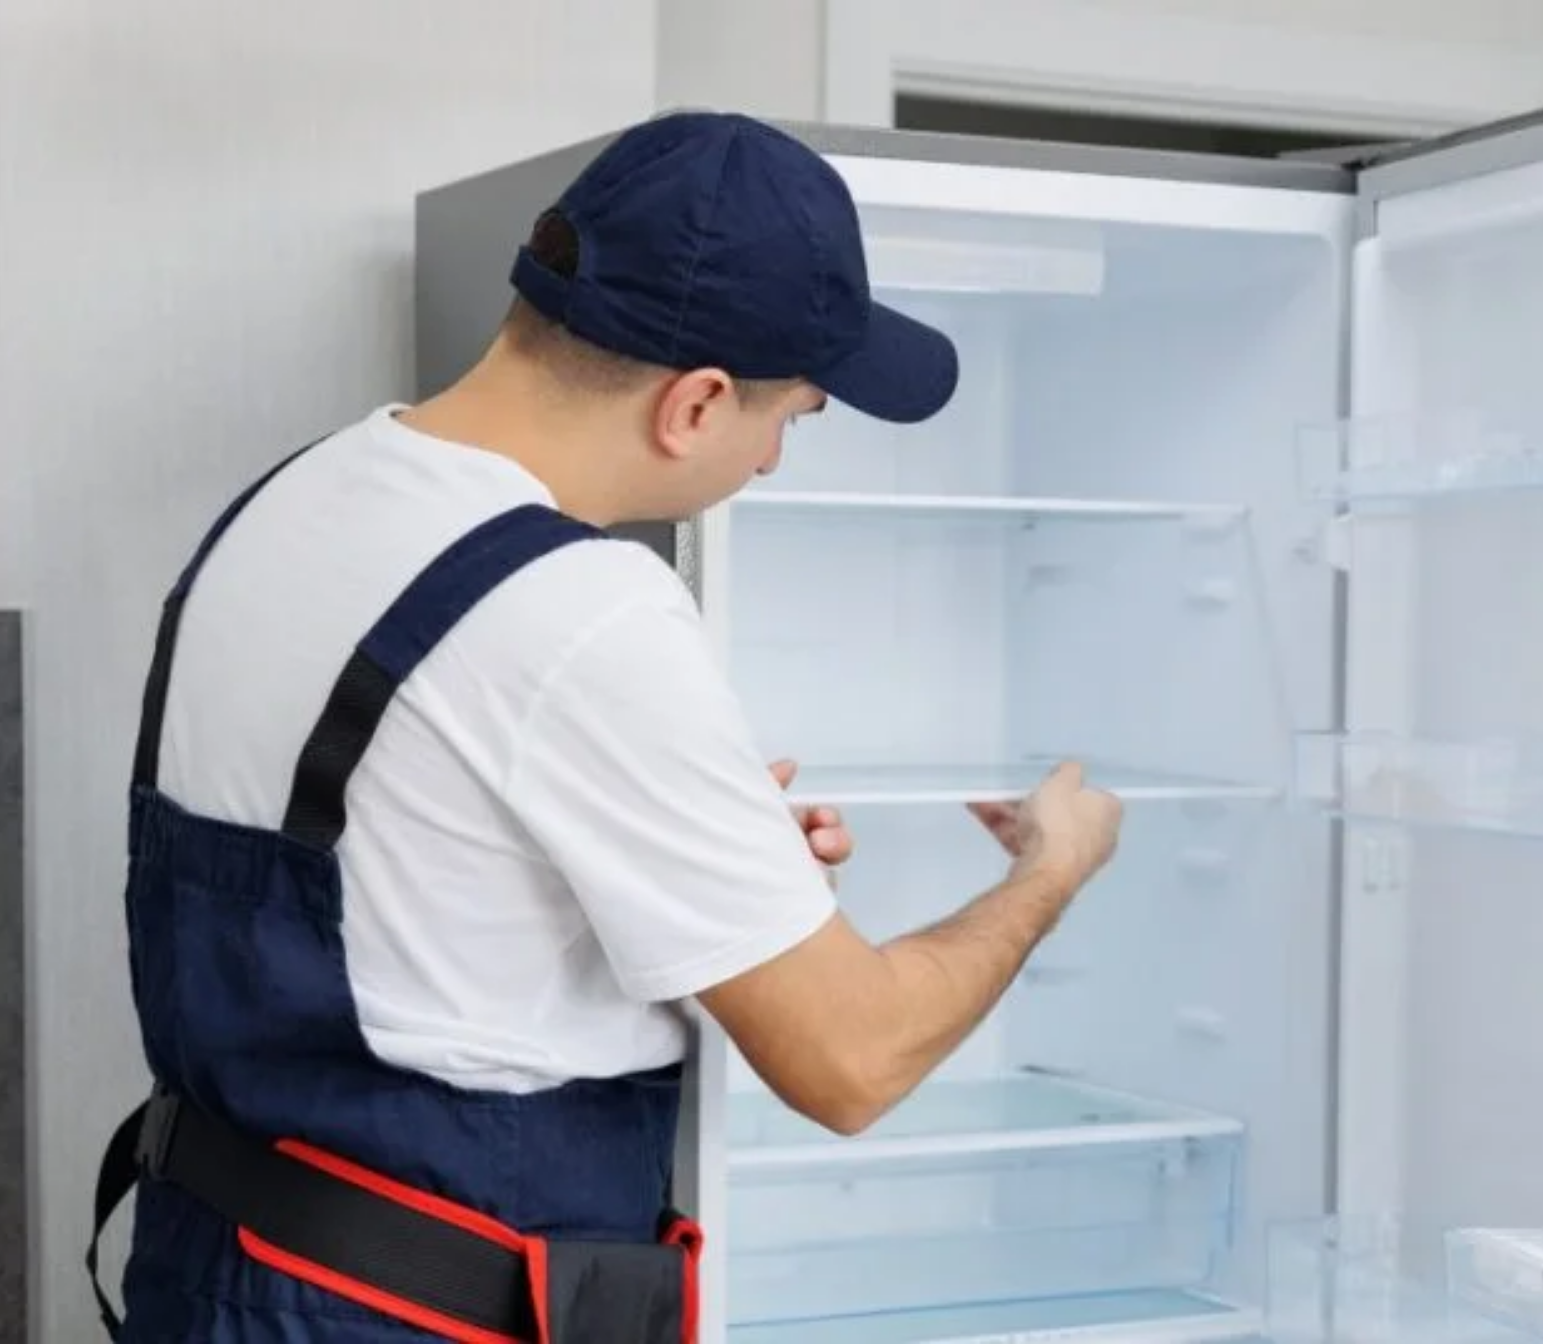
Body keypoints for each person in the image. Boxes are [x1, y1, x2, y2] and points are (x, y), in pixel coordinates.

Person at [89, 111, 1124, 1344]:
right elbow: (853, 1060)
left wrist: (690, 857)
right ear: (693, 404)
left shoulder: (296, 497)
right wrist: (1050, 868)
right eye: (790, 416)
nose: (774, 463)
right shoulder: (583, 612)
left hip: (218, 1270)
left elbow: (404, 859)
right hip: (411, 1313)